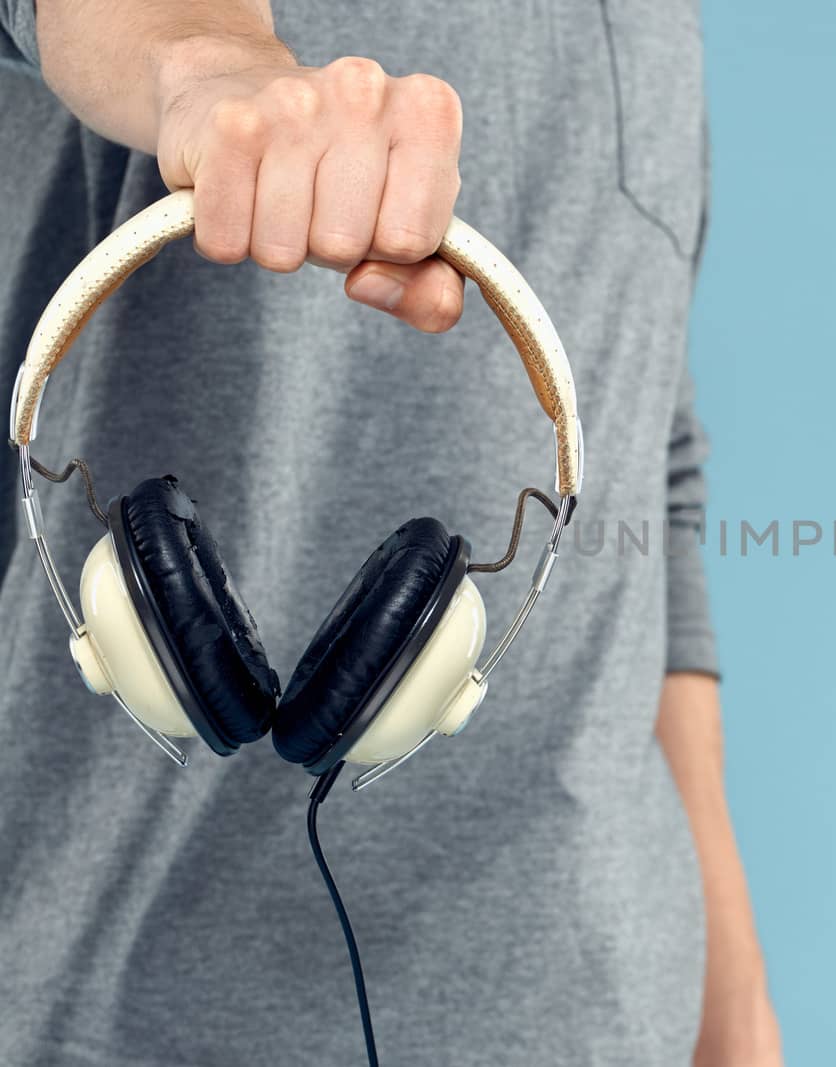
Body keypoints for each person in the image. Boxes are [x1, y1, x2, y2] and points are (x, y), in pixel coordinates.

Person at [0, 1, 782, 1064]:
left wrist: (727, 999)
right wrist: (213, 67)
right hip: (125, 1007)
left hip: (604, 1006)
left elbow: (645, 455)